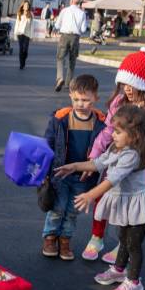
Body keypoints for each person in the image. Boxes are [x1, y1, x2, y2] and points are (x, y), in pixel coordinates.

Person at [55, 105, 145, 290]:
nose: (113, 135)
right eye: (113, 130)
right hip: (125, 203)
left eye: (118, 132)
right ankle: (119, 270)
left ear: (135, 135)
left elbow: (112, 179)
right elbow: (98, 163)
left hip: (137, 206)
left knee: (133, 244)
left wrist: (90, 195)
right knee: (123, 237)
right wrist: (75, 166)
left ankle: (134, 281)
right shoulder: (116, 147)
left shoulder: (132, 155)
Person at [82, 48, 145, 263]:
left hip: (139, 168)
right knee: (102, 197)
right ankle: (97, 236)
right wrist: (93, 157)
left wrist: (143, 159)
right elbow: (108, 132)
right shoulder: (119, 102)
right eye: (124, 83)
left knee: (129, 207)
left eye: (132, 84)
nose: (127, 89)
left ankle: (123, 245)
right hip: (114, 162)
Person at [41, 75, 106, 261]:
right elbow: (48, 144)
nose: (80, 103)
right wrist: (45, 172)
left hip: (84, 176)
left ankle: (65, 240)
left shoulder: (101, 123)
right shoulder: (61, 118)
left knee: (72, 211)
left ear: (95, 99)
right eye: (76, 99)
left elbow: (103, 149)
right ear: (70, 96)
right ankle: (50, 237)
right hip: (60, 173)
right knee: (57, 207)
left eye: (86, 100)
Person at [54, 0, 87, 92]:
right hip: (75, 37)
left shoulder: (64, 11)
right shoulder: (82, 13)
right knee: (72, 60)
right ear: (79, 2)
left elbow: (57, 25)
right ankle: (68, 83)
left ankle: (60, 78)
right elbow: (83, 29)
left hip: (64, 36)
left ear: (71, 1)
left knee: (60, 58)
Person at [14, 0, 34, 70]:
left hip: (27, 34)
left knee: (25, 50)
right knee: (21, 49)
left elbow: (32, 26)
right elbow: (17, 24)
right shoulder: (19, 13)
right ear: (23, 6)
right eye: (25, 5)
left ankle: (24, 60)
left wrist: (31, 35)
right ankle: (21, 64)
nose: (27, 6)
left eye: (28, 5)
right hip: (20, 33)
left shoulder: (30, 14)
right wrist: (15, 33)